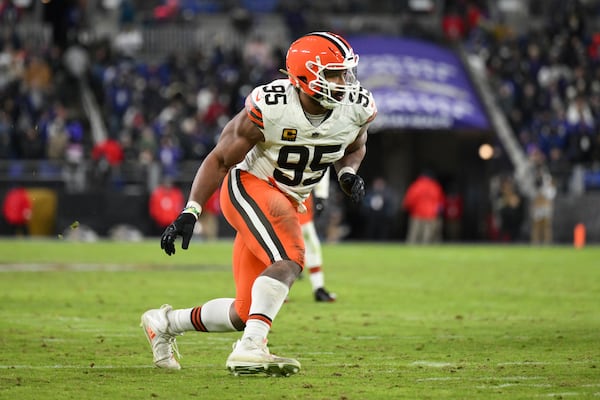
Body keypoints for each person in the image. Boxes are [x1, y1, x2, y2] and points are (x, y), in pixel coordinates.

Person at [141, 31, 377, 376]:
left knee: (244, 311)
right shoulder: (272, 106)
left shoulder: (356, 109)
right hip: (251, 185)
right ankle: (251, 348)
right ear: (305, 75)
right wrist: (191, 209)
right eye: (333, 74)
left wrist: (347, 174)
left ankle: (163, 323)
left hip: (289, 199)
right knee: (291, 257)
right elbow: (220, 158)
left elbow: (354, 146)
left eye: (345, 72)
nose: (343, 82)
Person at [298, 168, 337, 302]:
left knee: (310, 243)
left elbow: (322, 164)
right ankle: (274, 289)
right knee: (281, 246)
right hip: (279, 192)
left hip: (301, 196)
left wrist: (321, 195)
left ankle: (318, 288)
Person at [402, 169, 445, 244]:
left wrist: (406, 209)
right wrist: (438, 213)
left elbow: (409, 200)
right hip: (431, 215)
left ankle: (411, 253)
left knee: (414, 237)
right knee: (428, 237)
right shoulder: (435, 186)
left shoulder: (416, 185)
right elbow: (441, 202)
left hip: (417, 214)